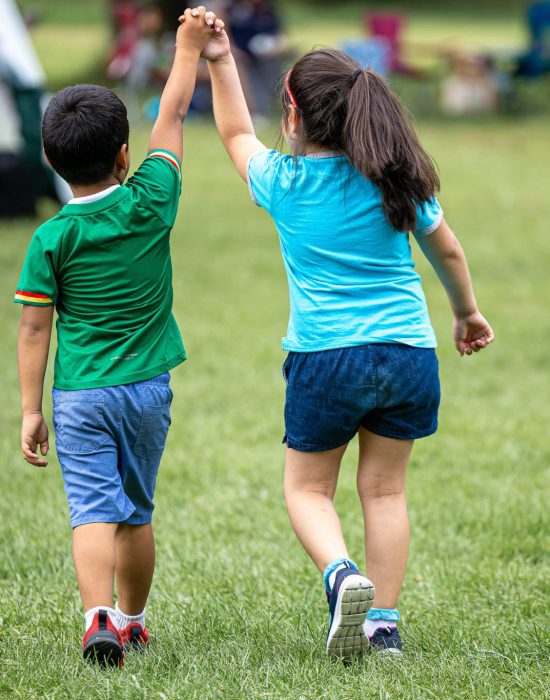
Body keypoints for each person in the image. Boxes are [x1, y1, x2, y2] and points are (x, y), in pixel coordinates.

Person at [189, 13, 495, 658]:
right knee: (385, 490)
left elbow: (235, 130)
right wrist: (466, 313)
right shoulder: (396, 179)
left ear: (295, 117)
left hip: (325, 357)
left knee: (306, 489)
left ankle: (340, 574)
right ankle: (382, 623)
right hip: (409, 353)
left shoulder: (284, 181)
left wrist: (219, 59)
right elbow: (449, 254)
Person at [14, 7, 224, 668]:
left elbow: (33, 326)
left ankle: (97, 614)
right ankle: (133, 622)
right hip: (146, 392)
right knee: (135, 511)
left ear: (49, 157)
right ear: (124, 155)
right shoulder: (151, 200)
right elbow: (172, 112)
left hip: (80, 395)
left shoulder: (51, 237)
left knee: (91, 513)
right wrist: (188, 46)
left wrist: (29, 408)